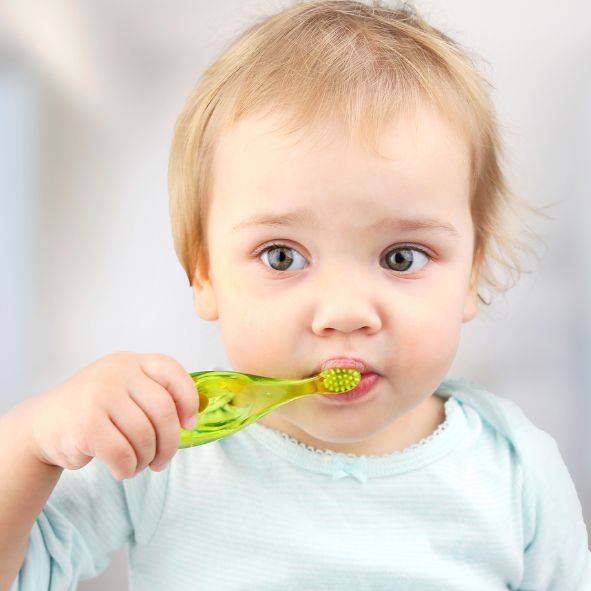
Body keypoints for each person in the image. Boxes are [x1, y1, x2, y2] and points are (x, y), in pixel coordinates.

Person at [1, 1, 589, 589]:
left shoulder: (516, 473)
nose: (345, 313)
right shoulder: (167, 449)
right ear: (203, 272)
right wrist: (32, 441)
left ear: (470, 274)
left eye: (401, 258)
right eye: (283, 257)